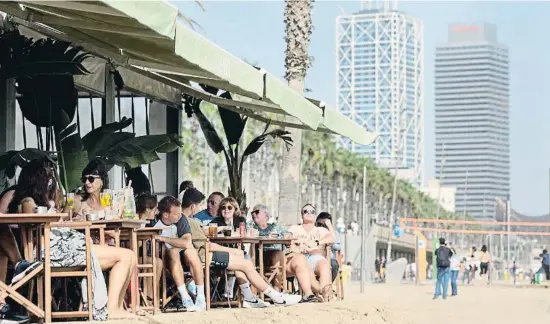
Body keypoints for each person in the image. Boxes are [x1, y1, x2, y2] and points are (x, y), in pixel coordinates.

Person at [7, 158, 137, 319]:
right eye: (48, 176)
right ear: (37, 179)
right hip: (52, 252)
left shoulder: (42, 201)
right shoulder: (28, 201)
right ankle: (111, 308)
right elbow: (34, 218)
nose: (50, 180)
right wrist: (57, 217)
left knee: (130, 255)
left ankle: (116, 306)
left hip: (65, 249)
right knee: (125, 256)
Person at [156, 194, 302, 308]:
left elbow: (201, 243)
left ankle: (251, 297)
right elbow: (203, 245)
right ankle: (276, 297)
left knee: (241, 258)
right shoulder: (188, 222)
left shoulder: (183, 221)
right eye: (202, 204)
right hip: (202, 256)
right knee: (245, 264)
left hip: (202, 253)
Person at [250, 204, 319, 302]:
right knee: (277, 254)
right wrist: (265, 238)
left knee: (300, 258)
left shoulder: (276, 226)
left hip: (283, 257)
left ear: (266, 214)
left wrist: (288, 237)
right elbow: (248, 236)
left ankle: (308, 294)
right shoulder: (250, 225)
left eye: (256, 212)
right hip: (262, 258)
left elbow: (288, 234)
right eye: (252, 212)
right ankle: (277, 291)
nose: (253, 214)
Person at [154, 196, 206, 312]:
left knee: (190, 252)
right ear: (166, 215)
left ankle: (201, 296)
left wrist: (163, 238)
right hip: (162, 256)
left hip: (181, 255)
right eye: (176, 213)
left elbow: (187, 242)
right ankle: (185, 297)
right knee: (173, 252)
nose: (180, 215)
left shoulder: (181, 219)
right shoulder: (154, 220)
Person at [287, 204, 334, 301]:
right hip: (300, 257)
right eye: (306, 211)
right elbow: (287, 238)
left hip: (315, 257)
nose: (309, 213)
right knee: (304, 263)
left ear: (315, 215)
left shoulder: (320, 230)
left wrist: (315, 243)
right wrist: (298, 246)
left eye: (312, 212)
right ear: (301, 215)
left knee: (324, 264)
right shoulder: (295, 228)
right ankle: (321, 291)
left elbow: (331, 238)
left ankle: (324, 295)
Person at [315, 212, 340, 282]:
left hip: (329, 259)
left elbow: (337, 246)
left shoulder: (333, 233)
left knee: (334, 265)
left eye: (324, 225)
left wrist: (329, 228)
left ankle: (327, 285)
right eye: (319, 224)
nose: (321, 227)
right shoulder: (313, 232)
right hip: (315, 258)